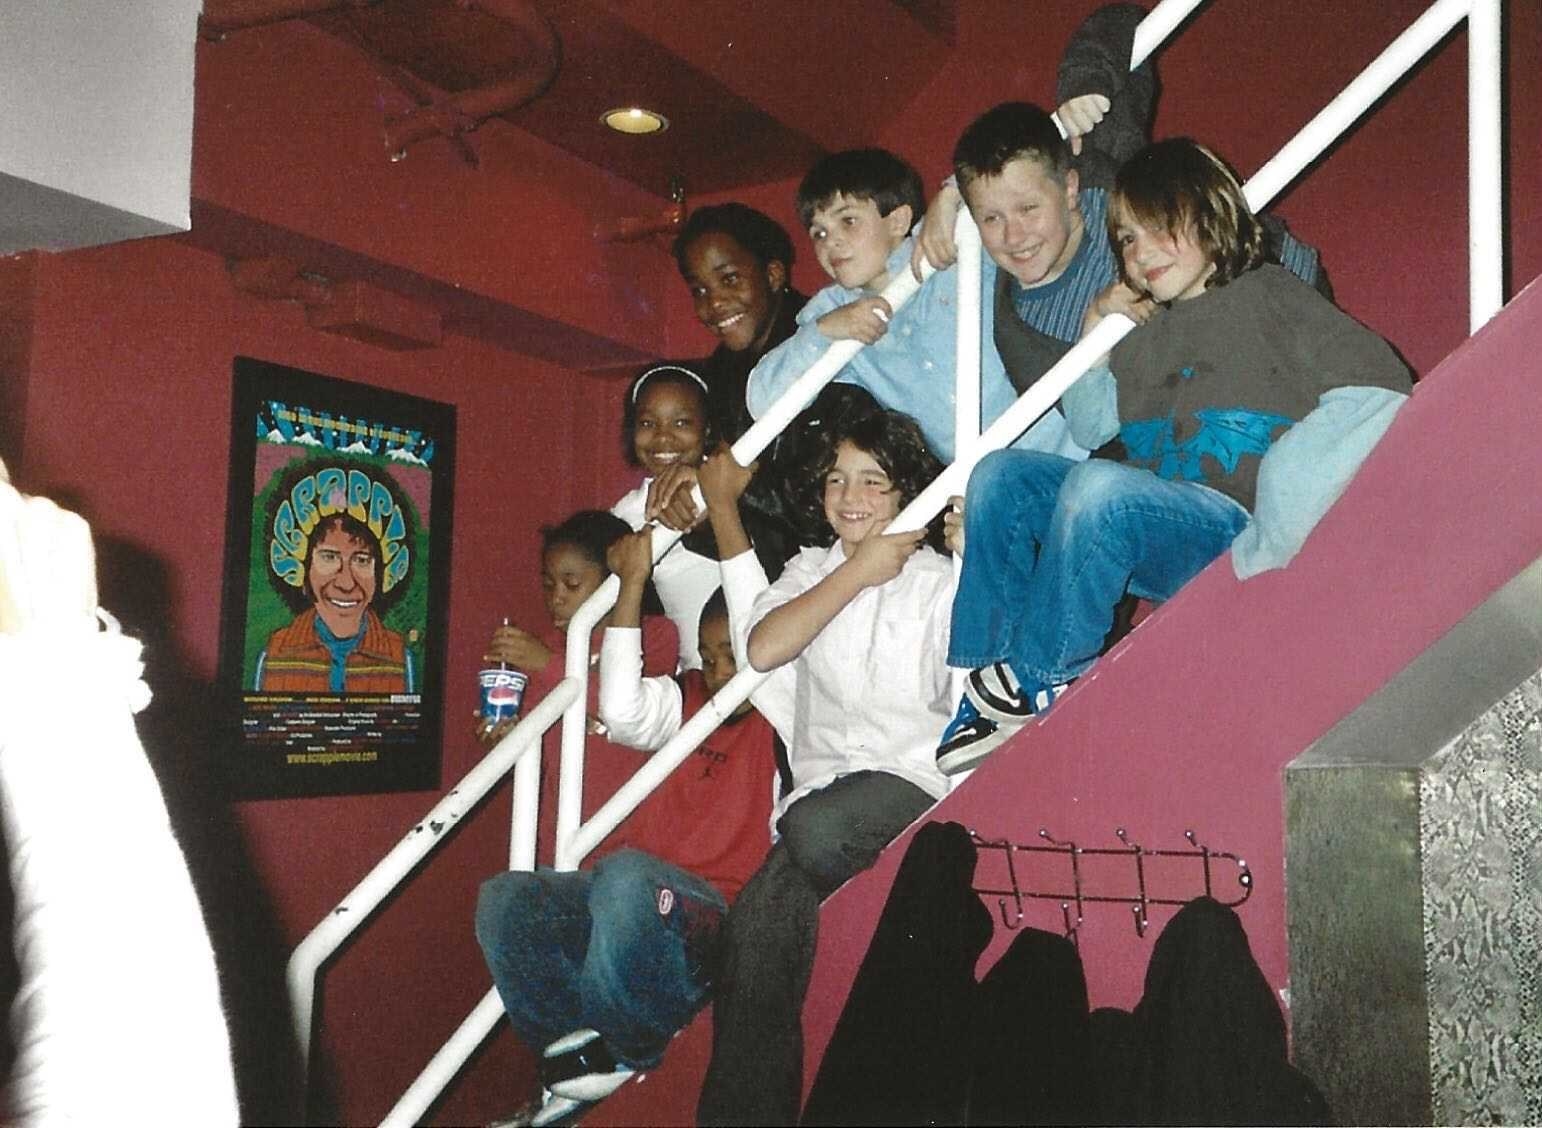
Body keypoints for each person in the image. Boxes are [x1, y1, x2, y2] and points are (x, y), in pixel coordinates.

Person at [935, 137, 1413, 774]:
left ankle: (1043, 674)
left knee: (1101, 488)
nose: (1142, 251)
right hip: (1148, 524)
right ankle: (989, 683)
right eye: (1128, 240)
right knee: (999, 474)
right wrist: (1096, 332)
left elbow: (1379, 384)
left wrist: (1282, 500)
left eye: (1160, 230)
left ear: (1212, 217)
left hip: (1233, 529)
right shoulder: (1143, 336)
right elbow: (1089, 419)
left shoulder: (1270, 293)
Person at [474, 451, 789, 1113]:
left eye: (738, 655)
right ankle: (573, 1066)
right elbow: (617, 709)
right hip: (640, 902)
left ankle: (622, 1047)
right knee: (505, 899)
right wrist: (631, 583)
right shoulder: (689, 699)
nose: (727, 671)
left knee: (623, 875)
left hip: (707, 914)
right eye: (714, 656)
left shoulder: (782, 712)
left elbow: (758, 623)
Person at [696, 409, 955, 1125]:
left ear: (907, 492)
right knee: (754, 936)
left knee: (809, 832)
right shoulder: (812, 569)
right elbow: (765, 647)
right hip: (820, 808)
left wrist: (888, 567)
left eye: (874, 481)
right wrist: (859, 573)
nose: (852, 496)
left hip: (916, 789)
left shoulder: (940, 580)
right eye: (838, 479)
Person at [913, 5, 1330, 402]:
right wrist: (951, 195)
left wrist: (1083, 85)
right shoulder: (1023, 334)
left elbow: (1124, 20)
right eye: (990, 218)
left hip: (1287, 297)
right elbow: (1106, 428)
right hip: (1217, 401)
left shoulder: (1106, 174)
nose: (1013, 235)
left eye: (1028, 209)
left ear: (1069, 188)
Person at [745, 148, 1085, 464]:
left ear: (897, 221)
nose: (831, 241)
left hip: (1069, 441)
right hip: (984, 480)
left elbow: (999, 168)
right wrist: (824, 331)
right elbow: (762, 401)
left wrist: (949, 196)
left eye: (847, 221)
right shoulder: (834, 312)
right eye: (818, 233)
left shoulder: (947, 240)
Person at [673, 204, 882, 566]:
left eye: (729, 279)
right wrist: (697, 509)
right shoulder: (717, 379)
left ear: (772, 274)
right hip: (790, 572)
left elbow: (826, 510)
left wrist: (731, 487)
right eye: (699, 290)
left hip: (863, 551)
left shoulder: (831, 339)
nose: (715, 302)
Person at [481, 510, 678, 862]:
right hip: (558, 835)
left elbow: (622, 706)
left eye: (572, 585)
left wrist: (545, 664)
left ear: (611, 583)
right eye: (548, 584)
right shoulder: (549, 645)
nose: (556, 597)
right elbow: (536, 733)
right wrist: (505, 734)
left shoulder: (656, 635)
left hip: (633, 841)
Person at [254, 511, 413, 693]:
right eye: (329, 557)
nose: (346, 583)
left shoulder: (400, 658)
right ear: (304, 569)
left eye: (362, 560)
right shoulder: (274, 654)